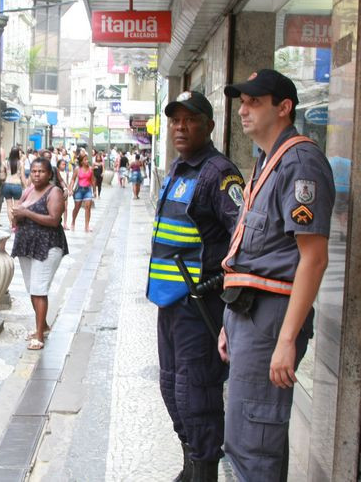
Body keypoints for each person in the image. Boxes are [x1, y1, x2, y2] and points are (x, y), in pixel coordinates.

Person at [219, 69, 335, 481]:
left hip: (272, 321)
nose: (244, 110)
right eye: (242, 102)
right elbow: (253, 250)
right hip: (249, 313)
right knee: (247, 435)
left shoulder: (300, 163)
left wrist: (286, 340)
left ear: (283, 108)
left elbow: (314, 258)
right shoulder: (268, 160)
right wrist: (230, 322)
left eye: (254, 102)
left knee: (254, 443)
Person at [147, 92, 244, 482]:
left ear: (210, 125)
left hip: (198, 309)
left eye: (190, 120)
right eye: (175, 120)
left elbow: (243, 237)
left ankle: (204, 472)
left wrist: (221, 287)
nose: (180, 127)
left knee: (197, 395)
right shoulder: (178, 168)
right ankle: (189, 467)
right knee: (173, 390)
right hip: (169, 305)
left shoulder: (219, 173)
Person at [10, 158, 68, 350]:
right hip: (27, 245)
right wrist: (15, 215)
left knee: (39, 289)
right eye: (33, 171)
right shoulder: (28, 190)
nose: (36, 175)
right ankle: (42, 327)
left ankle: (40, 337)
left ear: (49, 174)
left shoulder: (54, 192)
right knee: (32, 289)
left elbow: (53, 219)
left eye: (41, 171)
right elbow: (18, 211)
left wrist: (26, 214)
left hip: (48, 245)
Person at [1, 148, 28, 226]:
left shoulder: (5, 163)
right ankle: (15, 224)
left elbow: (2, 175)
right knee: (16, 207)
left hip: (7, 184)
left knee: (9, 206)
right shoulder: (21, 163)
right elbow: (23, 176)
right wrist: (26, 187)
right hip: (17, 185)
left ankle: (10, 223)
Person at [69, 155, 94, 233]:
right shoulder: (77, 169)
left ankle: (87, 226)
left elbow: (92, 180)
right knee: (77, 207)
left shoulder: (90, 169)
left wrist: (95, 191)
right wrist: (70, 189)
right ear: (81, 161)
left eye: (87, 159)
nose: (87, 161)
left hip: (88, 190)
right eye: (85, 160)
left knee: (88, 207)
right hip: (79, 190)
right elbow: (73, 179)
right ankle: (73, 222)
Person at [56, 158, 70, 230]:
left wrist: (68, 189)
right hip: (58, 191)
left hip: (64, 191)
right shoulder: (56, 172)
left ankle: (65, 223)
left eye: (65, 164)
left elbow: (67, 182)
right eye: (62, 164)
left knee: (65, 208)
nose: (64, 166)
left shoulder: (66, 173)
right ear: (58, 165)